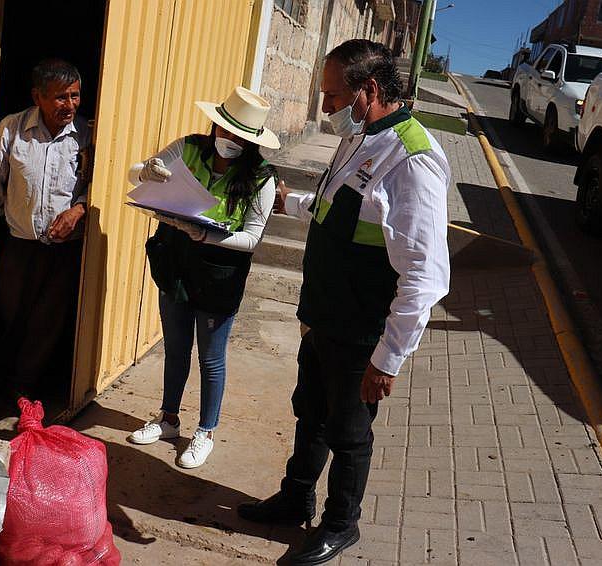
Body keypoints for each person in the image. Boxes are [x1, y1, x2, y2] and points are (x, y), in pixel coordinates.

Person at [238, 40, 451, 565]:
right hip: (323, 318)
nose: (325, 106)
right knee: (308, 412)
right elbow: (343, 210)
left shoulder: (413, 160)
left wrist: (388, 359)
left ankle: (340, 524)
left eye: (333, 95)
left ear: (369, 91)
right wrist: (296, 202)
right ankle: (295, 498)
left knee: (349, 433)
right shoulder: (360, 136)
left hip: (361, 333)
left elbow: (425, 275)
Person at [126, 87, 280, 469]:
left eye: (239, 137)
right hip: (176, 261)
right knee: (176, 348)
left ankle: (205, 431)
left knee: (211, 358)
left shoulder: (261, 177)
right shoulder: (189, 148)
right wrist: (146, 170)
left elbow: (253, 236)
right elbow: (139, 174)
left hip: (220, 273)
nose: (229, 141)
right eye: (225, 131)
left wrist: (211, 235)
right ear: (215, 125)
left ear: (252, 142)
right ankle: (168, 419)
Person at [0, 59, 91, 399]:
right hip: (19, 244)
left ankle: (23, 391)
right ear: (38, 96)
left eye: (75, 96)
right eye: (61, 97)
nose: (70, 105)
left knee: (47, 323)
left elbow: (98, 183)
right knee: (10, 315)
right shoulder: (11, 129)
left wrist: (79, 209)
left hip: (64, 250)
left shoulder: (87, 135)